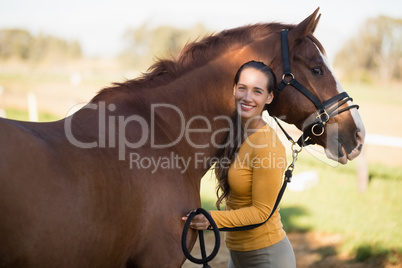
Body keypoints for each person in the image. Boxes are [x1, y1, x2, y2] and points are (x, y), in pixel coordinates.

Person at [182, 60, 296, 268]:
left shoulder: (266, 146)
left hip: (267, 256)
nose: (247, 97)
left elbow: (261, 211)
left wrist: (211, 219)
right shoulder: (233, 131)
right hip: (237, 254)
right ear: (234, 89)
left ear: (269, 97)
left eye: (257, 91)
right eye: (242, 88)